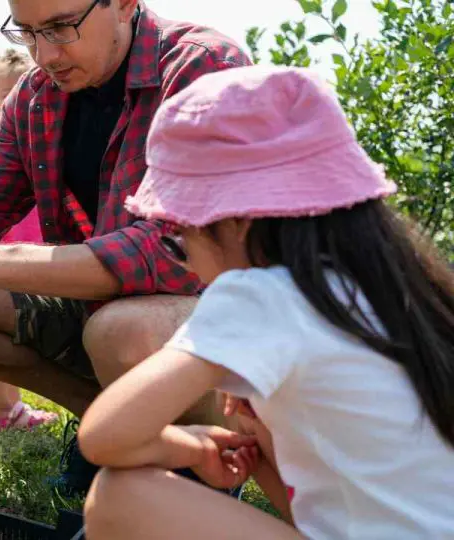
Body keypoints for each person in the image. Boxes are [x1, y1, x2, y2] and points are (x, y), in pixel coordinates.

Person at [0, 0, 251, 495]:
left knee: (122, 330)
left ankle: (206, 457)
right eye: (26, 33)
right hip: (101, 310)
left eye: (61, 28)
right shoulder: (35, 97)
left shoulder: (201, 68)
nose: (44, 54)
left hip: (216, 309)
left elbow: (171, 255)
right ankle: (105, 429)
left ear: (124, 4)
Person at [78, 65, 454, 539]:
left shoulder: (261, 295)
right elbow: (323, 516)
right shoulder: (399, 294)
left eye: (179, 236)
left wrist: (192, 448)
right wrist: (258, 448)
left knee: (121, 496)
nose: (188, 264)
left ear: (238, 222)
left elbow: (104, 436)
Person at [0, 48, 58, 431]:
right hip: (2, 262)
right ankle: (4, 411)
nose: (24, 101)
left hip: (47, 259)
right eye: (9, 94)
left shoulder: (53, 152)